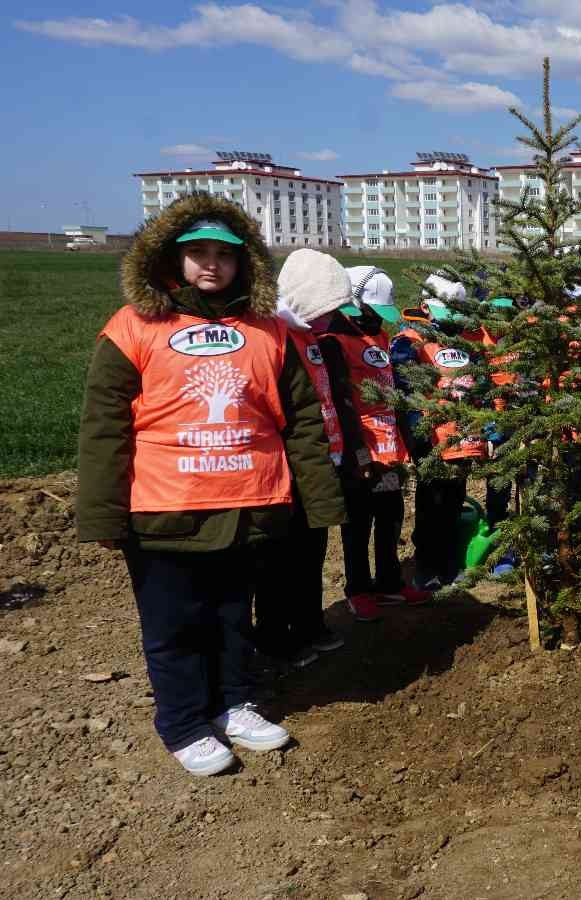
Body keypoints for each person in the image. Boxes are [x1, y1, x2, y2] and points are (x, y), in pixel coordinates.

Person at [75, 195, 343, 776]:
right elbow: (104, 426)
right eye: (197, 252)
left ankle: (234, 703)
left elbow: (299, 419)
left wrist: (319, 499)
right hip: (163, 511)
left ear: (245, 263)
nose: (211, 265)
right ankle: (183, 722)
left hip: (248, 506)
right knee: (174, 625)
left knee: (231, 615)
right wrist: (100, 514)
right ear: (170, 259)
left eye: (225, 254)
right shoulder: (133, 328)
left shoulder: (269, 331)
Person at [255, 249, 357, 667]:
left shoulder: (314, 339)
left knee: (312, 552)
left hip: (321, 463)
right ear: (302, 299)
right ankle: (276, 636)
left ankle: (310, 622)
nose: (330, 318)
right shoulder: (274, 339)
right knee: (279, 560)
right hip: (286, 469)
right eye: (325, 308)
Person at [391, 288, 493, 593]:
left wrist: (484, 431)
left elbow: (481, 386)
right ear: (425, 306)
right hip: (431, 440)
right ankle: (426, 565)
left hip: (463, 439)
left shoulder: (465, 342)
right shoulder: (409, 342)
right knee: (430, 504)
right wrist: (418, 437)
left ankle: (450, 563)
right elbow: (406, 392)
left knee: (452, 501)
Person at [330, 267, 412, 616]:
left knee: (391, 515)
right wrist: (359, 455)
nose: (379, 317)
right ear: (354, 300)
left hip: (389, 451)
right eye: (373, 309)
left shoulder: (379, 336)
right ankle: (359, 588)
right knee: (358, 521)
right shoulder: (335, 341)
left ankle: (390, 583)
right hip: (361, 455)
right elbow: (343, 405)